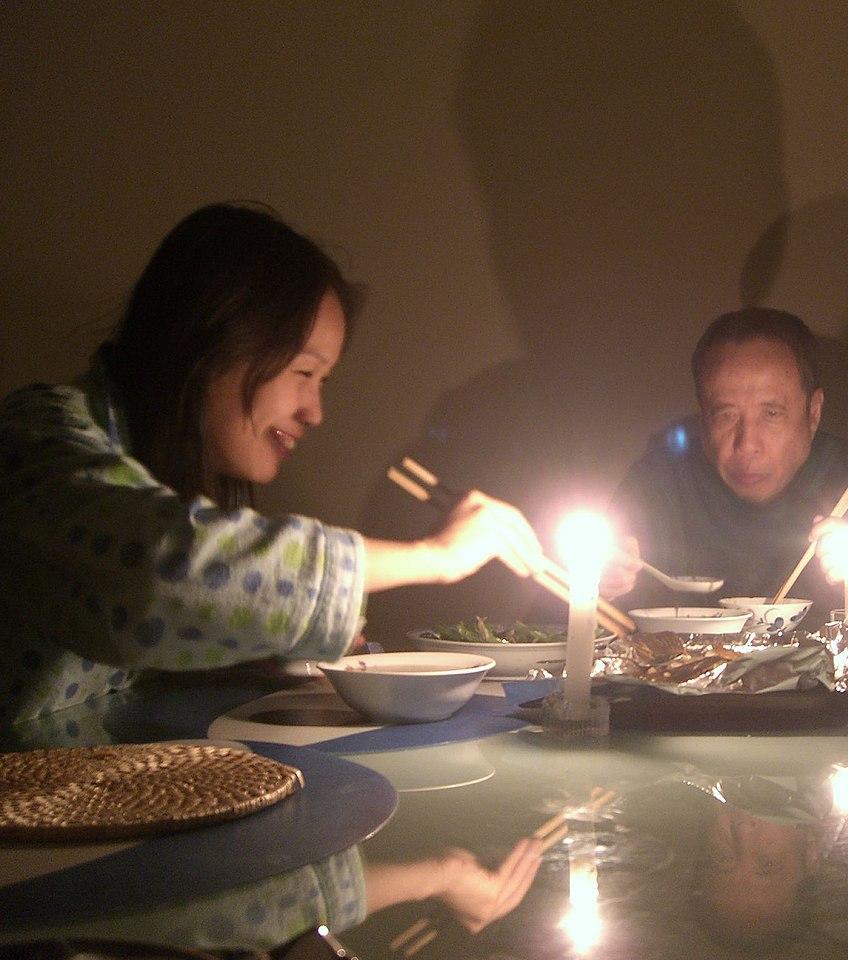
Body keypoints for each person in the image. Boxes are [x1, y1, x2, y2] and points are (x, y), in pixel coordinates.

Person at [0, 203, 545, 728]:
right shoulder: (35, 438)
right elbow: (154, 571)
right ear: (210, 342)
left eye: (322, 381)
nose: (315, 412)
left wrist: (249, 648)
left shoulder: (161, 470)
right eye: (302, 372)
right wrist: (435, 556)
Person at [601, 306, 848, 650]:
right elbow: (557, 623)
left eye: (771, 413)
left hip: (838, 726)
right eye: (725, 414)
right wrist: (596, 587)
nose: (747, 444)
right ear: (703, 416)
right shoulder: (661, 482)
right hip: (680, 721)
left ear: (813, 412)